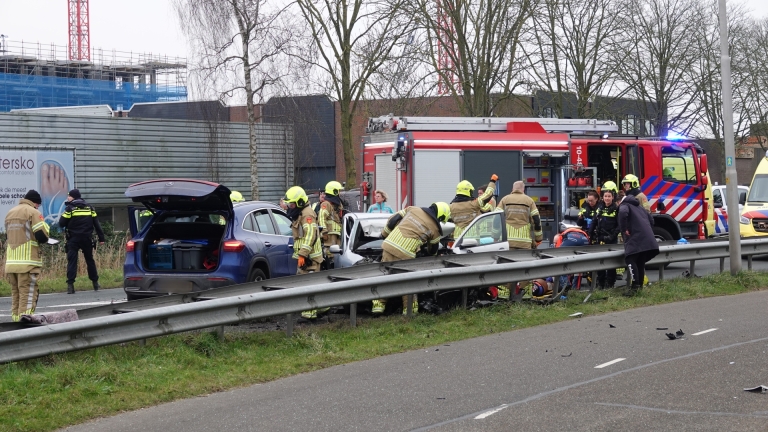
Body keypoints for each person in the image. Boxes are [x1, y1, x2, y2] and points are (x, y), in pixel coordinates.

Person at [372, 202, 451, 315]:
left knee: (385, 277)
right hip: (406, 253)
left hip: (388, 245)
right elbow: (432, 251)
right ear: (441, 216)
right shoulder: (435, 230)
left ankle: (378, 307)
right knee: (407, 282)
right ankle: (409, 311)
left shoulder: (413, 209)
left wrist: (385, 234)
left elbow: (393, 219)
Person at [5, 190, 50, 322]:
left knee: (16, 294)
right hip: (27, 262)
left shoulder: (10, 212)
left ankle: (15, 321)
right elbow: (41, 236)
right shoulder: (33, 212)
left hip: (12, 261)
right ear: (36, 203)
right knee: (28, 294)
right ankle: (25, 323)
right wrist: (47, 230)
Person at [284, 186, 325, 320]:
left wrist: (303, 254)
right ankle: (324, 306)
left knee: (309, 285)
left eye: (292, 203)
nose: (290, 206)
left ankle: (310, 313)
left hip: (310, 258)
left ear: (300, 202)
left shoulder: (307, 214)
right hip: (306, 257)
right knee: (305, 284)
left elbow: (310, 235)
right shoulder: (301, 213)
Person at [495, 181, 542, 299]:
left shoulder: (505, 200)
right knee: (525, 269)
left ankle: (504, 296)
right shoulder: (529, 201)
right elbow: (536, 220)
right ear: (523, 189)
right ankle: (525, 296)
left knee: (506, 268)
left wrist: (496, 237)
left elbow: (496, 219)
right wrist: (538, 238)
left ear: (513, 188)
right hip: (524, 243)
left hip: (507, 242)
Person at [59, 189, 105, 294]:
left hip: (73, 239)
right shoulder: (90, 208)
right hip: (87, 238)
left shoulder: (70, 209)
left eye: (69, 196)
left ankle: (70, 286)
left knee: (72, 262)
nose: (68, 198)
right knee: (90, 260)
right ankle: (95, 283)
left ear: (73, 197)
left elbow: (61, 223)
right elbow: (97, 224)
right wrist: (101, 238)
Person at [618, 193, 659, 296]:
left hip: (636, 237)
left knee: (630, 259)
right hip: (647, 237)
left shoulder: (624, 205)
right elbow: (651, 220)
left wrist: (624, 229)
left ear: (618, 201)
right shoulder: (638, 206)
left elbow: (623, 213)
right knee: (640, 261)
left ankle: (635, 287)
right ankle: (639, 287)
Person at [590, 189, 621, 289]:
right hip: (600, 238)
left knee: (611, 263)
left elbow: (619, 225)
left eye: (609, 196)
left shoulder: (616, 209)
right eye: (605, 196)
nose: (607, 198)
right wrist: (590, 235)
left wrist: (612, 236)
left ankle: (610, 283)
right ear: (602, 198)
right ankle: (601, 283)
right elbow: (594, 222)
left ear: (612, 197)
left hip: (611, 239)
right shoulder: (600, 208)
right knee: (601, 262)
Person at [318, 181, 344, 269]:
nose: (340, 193)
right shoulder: (326, 204)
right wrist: (324, 232)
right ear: (334, 192)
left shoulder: (337, 205)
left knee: (337, 254)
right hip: (329, 235)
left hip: (337, 235)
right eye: (339, 191)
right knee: (330, 254)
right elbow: (321, 217)